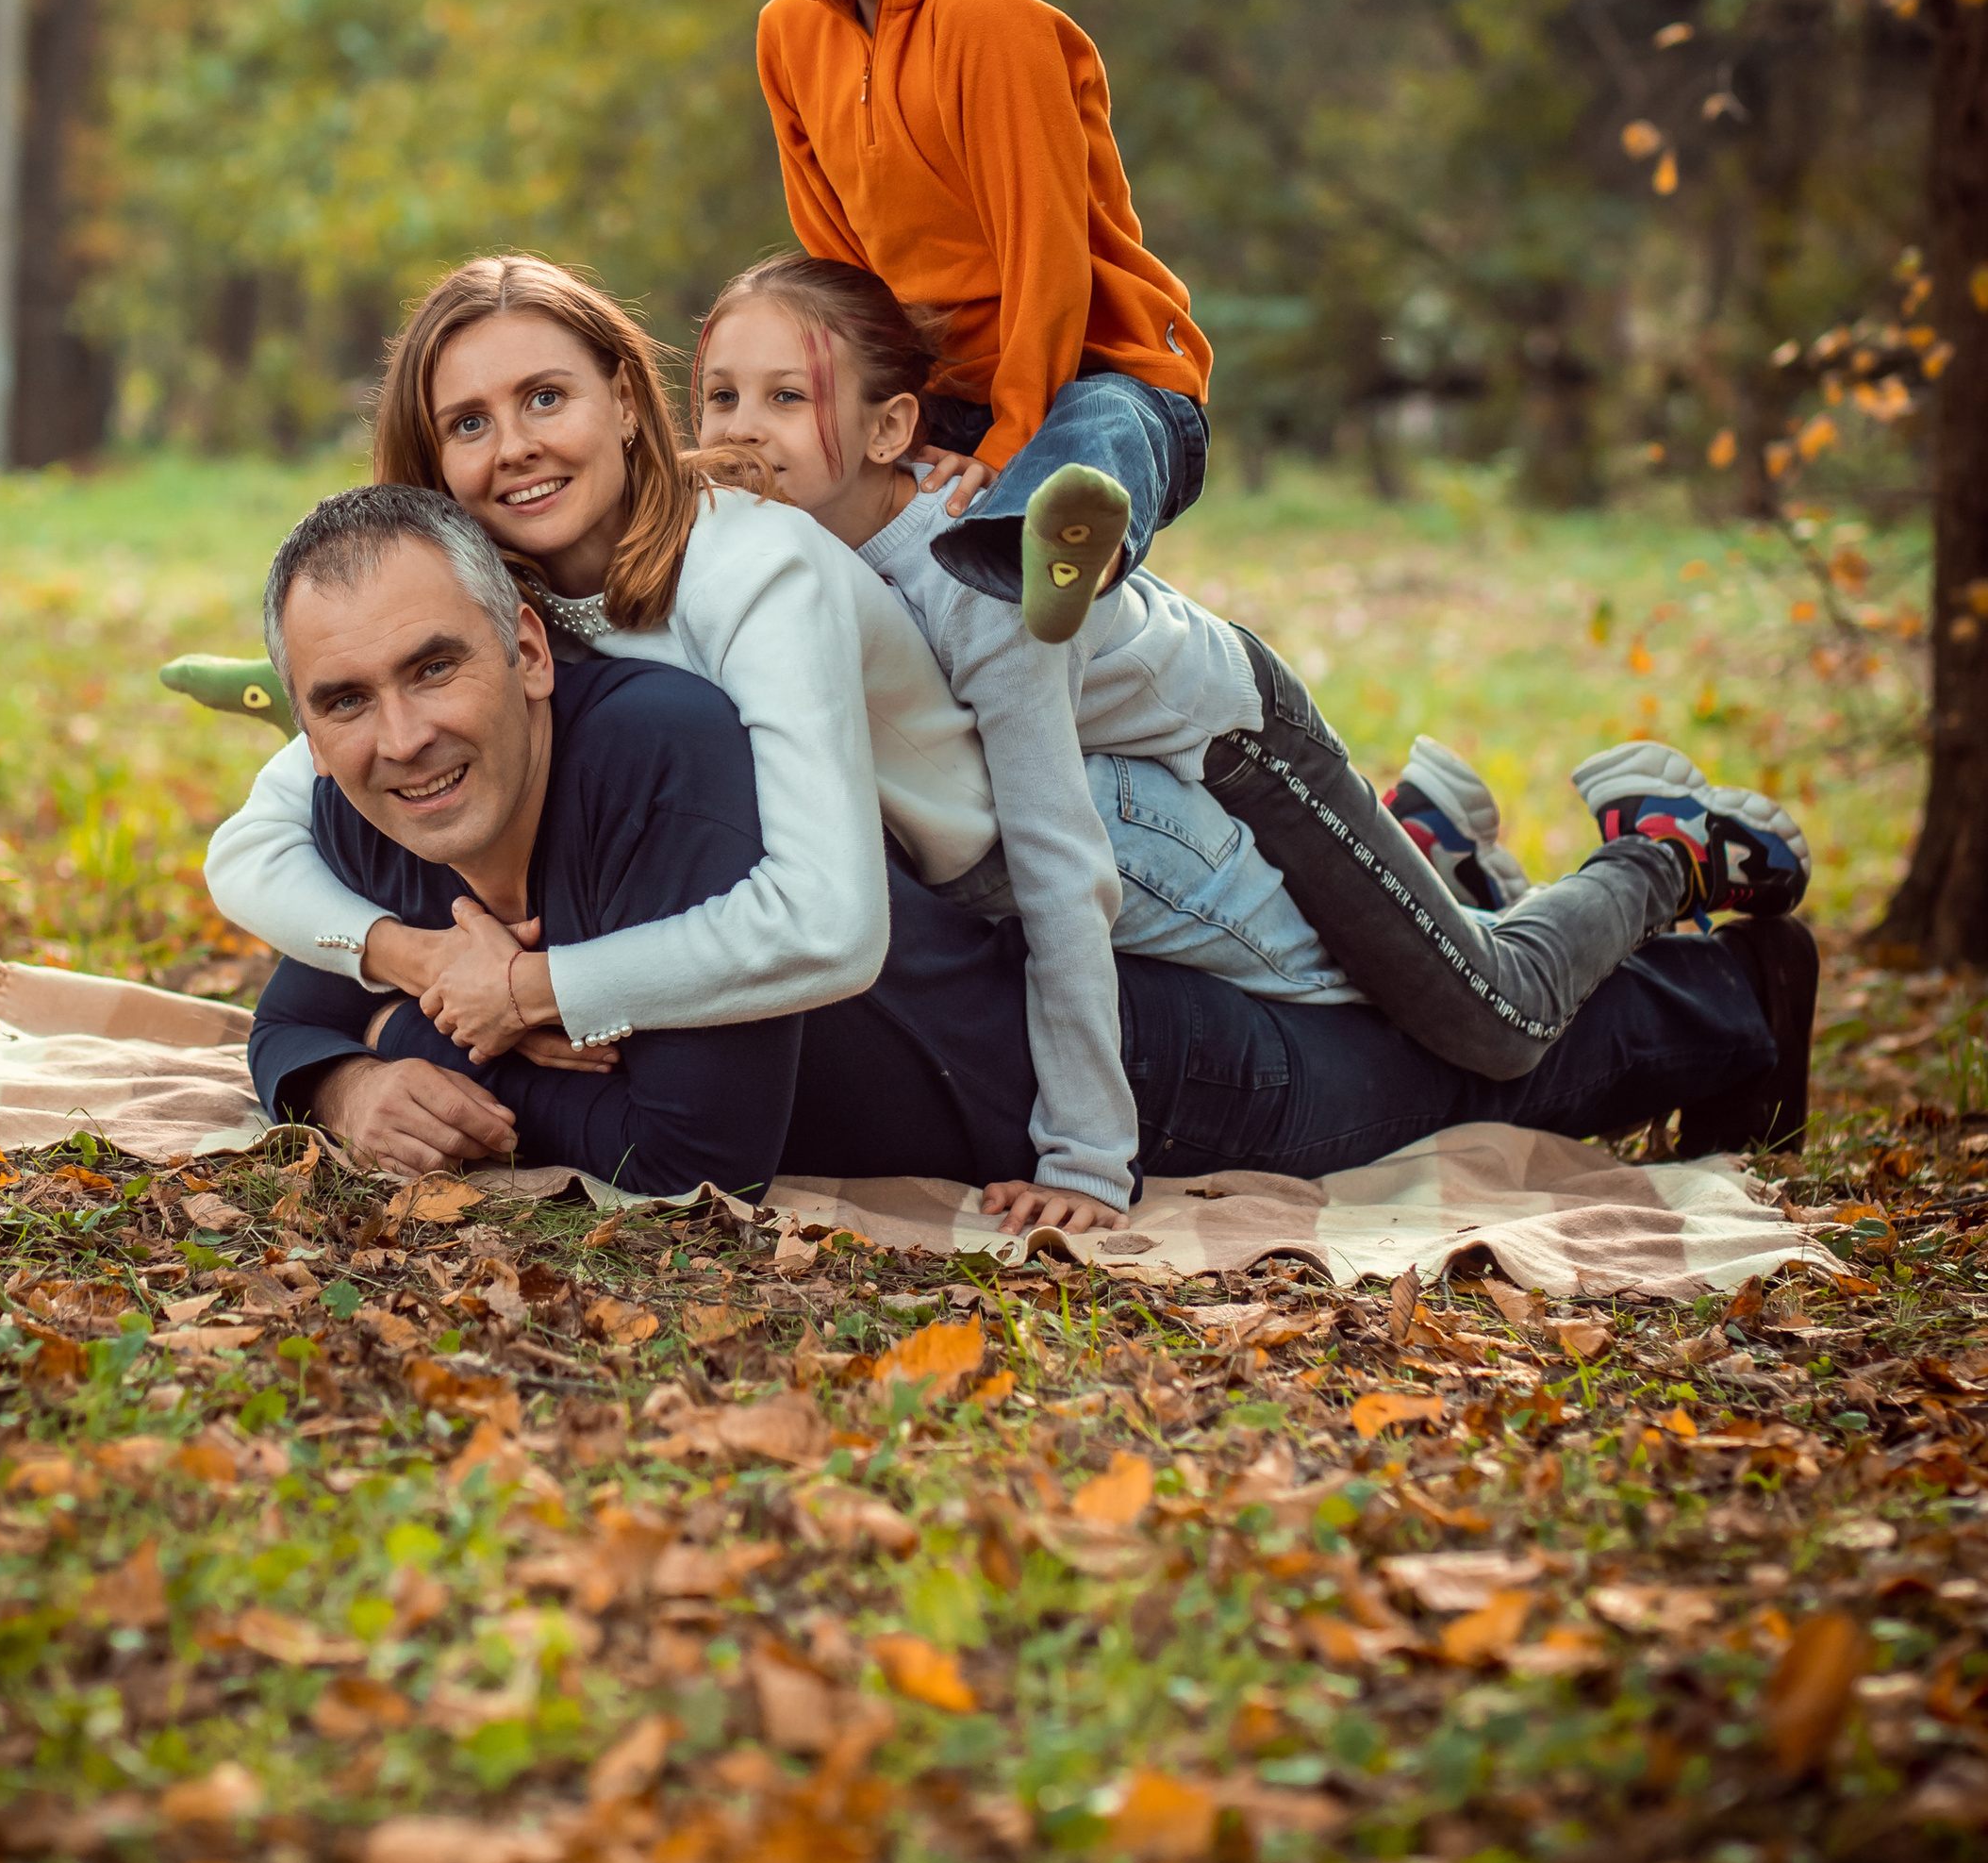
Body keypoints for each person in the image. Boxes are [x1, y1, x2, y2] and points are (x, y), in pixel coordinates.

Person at [245, 485, 1813, 1202]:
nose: (399, 736)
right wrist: (356, 1069)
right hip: (1010, 1042)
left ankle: (1731, 978)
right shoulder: (373, 799)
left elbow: (694, 1148)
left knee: (1483, 1067)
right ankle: (1437, 861)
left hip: (1118, 1070)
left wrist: (499, 1057)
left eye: (433, 666)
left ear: (525, 649)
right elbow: (298, 997)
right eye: (346, 700)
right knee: (1439, 1013)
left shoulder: (656, 760)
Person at [692, 253, 1818, 1222]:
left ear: (891, 427)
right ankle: (1424, 850)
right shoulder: (808, 544)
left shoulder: (979, 578)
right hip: (1164, 784)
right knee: (1408, 958)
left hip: (1242, 746)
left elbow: (1058, 862)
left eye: (785, 398)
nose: (742, 431)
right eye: (719, 398)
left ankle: (1663, 848)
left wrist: (1087, 1157)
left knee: (1494, 1016)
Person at [206, 250, 1004, 1110]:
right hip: (784, 910)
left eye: (545, 398)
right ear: (434, 460)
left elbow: (833, 926)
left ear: (625, 402)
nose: (516, 448)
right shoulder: (496, 608)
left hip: (962, 908)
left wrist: (526, 990)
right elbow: (248, 850)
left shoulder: (755, 567)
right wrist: (417, 960)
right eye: (468, 424)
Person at [752, 0, 1210, 645]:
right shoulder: (788, 34)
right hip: (945, 398)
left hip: (1093, 365)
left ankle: (1039, 548)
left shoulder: (990, 21)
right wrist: (885, 414)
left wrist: (1011, 437)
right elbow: (835, 260)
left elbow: (1045, 250)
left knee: (1099, 436)